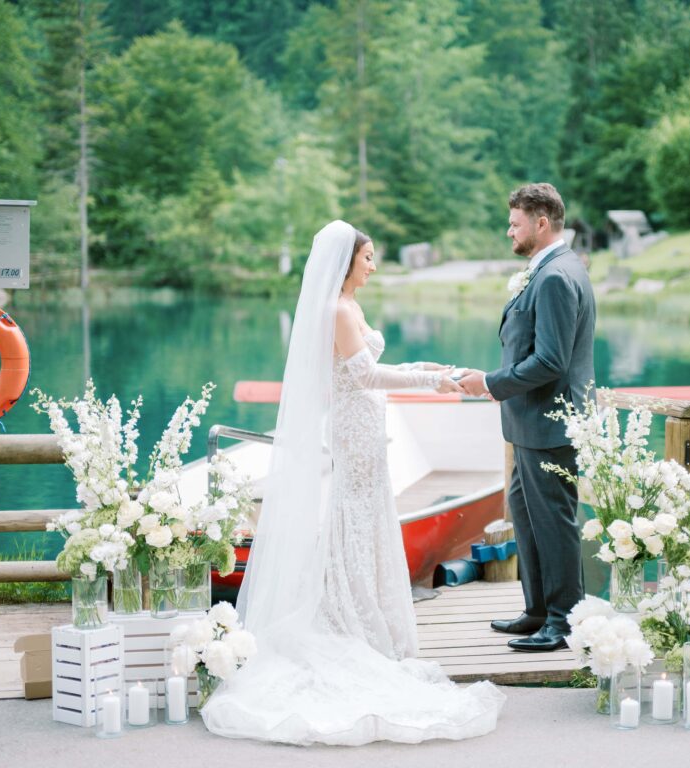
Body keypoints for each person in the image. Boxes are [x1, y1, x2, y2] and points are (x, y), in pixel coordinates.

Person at [201, 220, 504, 745]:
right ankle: (350, 617)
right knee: (356, 514)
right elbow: (363, 376)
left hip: (366, 422)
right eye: (368, 258)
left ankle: (366, 611)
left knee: (367, 515)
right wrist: (432, 381)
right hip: (354, 428)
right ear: (346, 262)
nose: (374, 265)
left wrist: (425, 364)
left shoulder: (351, 306)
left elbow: (367, 363)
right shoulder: (337, 310)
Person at [458, 183, 596, 652]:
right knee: (528, 517)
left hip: (549, 422)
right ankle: (538, 609)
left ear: (541, 222)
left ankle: (564, 622)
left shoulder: (556, 276)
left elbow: (551, 361)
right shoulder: (553, 268)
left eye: (515, 223)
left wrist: (491, 383)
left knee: (553, 524)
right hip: (531, 423)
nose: (509, 231)